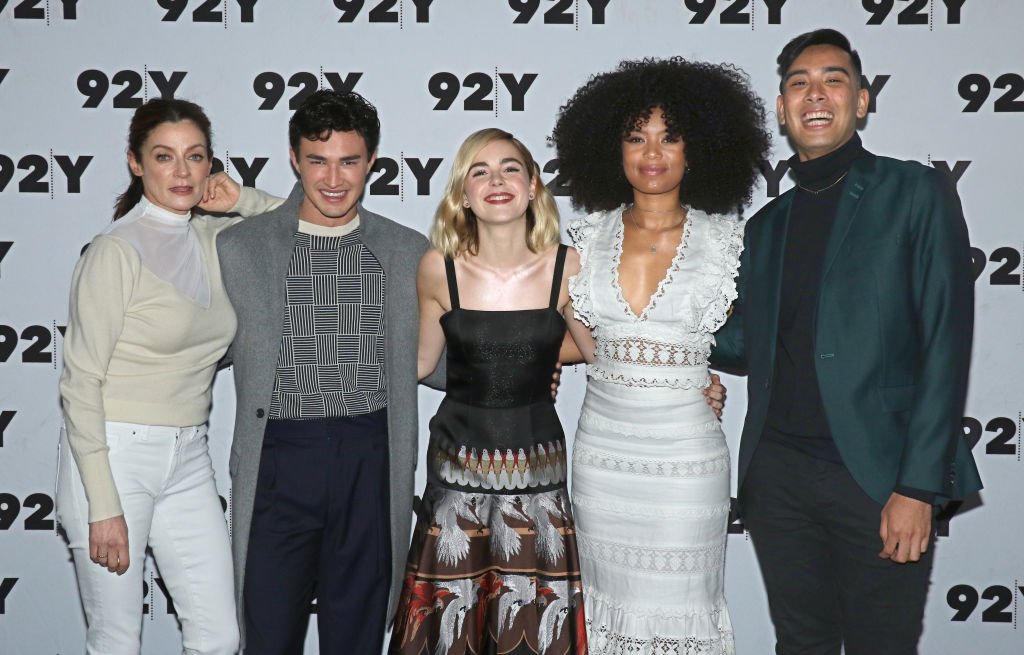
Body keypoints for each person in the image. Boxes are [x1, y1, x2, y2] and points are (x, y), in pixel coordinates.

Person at [710, 29, 982, 654]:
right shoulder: (765, 225)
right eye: (799, 83)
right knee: (801, 645)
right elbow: (747, 342)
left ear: (861, 101)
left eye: (833, 80)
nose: (816, 93)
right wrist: (650, 325)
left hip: (880, 477)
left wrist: (917, 487)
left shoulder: (913, 191)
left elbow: (946, 342)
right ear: (781, 109)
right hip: (778, 478)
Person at [551, 58, 770, 654]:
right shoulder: (585, 240)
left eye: (670, 136)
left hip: (684, 461)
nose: (653, 151)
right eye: (635, 136)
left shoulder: (728, 241)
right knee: (605, 610)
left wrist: (698, 376)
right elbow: (586, 343)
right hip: (602, 457)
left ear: (698, 148)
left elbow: (757, 342)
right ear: (611, 149)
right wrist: (530, 365)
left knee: (681, 610)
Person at [210, 89, 436, 655]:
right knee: (266, 633)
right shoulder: (240, 247)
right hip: (278, 458)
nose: (333, 178)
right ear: (294, 159)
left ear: (372, 162)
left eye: (349, 161)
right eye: (318, 160)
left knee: (357, 637)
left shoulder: (407, 250)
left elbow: (441, 354)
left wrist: (521, 369)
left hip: (372, 454)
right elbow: (194, 344)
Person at [388, 128, 587, 655]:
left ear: (533, 185)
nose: (496, 180)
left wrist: (691, 378)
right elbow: (422, 362)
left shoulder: (569, 267)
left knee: (535, 628)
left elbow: (601, 350)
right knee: (449, 632)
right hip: (457, 473)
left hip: (539, 476)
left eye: (509, 168)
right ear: (462, 193)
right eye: (480, 171)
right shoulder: (438, 268)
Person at [56, 98, 239, 655]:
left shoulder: (214, 236)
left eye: (195, 157)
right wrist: (103, 505)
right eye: (165, 157)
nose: (181, 172)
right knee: (116, 641)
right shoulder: (116, 251)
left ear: (212, 165)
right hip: (112, 457)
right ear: (136, 163)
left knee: (219, 637)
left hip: (188, 457)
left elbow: (309, 223)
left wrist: (241, 199)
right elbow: (79, 382)